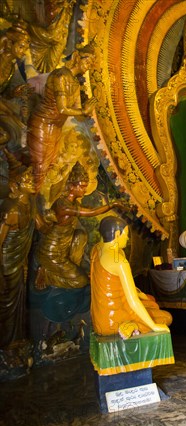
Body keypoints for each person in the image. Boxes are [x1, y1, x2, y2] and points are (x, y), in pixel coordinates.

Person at [35, 163, 128, 290]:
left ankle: (70, 269)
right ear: (72, 186)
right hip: (52, 252)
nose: (84, 190)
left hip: (64, 250)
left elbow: (90, 210)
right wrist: (112, 204)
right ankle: (46, 274)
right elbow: (90, 213)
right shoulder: (64, 206)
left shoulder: (72, 203)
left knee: (81, 235)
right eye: (82, 186)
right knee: (81, 281)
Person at [26, 42, 97, 191]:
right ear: (77, 56)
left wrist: (88, 111)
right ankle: (26, 200)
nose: (89, 65)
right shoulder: (60, 76)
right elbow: (63, 108)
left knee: (47, 167)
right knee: (38, 167)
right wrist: (83, 111)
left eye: (91, 64)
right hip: (43, 123)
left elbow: (77, 114)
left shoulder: (76, 84)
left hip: (56, 128)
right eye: (88, 61)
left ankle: (31, 199)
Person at [91, 216, 171, 336]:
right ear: (117, 234)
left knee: (152, 303)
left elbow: (118, 287)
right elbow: (133, 301)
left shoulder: (96, 250)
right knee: (167, 317)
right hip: (113, 321)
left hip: (99, 319)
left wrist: (142, 295)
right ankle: (132, 326)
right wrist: (154, 326)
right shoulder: (119, 261)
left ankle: (132, 324)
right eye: (126, 234)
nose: (128, 238)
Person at [0, 155, 37, 347]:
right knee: (7, 302)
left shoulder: (29, 204)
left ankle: (17, 338)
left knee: (19, 299)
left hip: (21, 258)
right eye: (27, 180)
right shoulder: (11, 209)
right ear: (16, 185)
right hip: (8, 260)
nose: (32, 182)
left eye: (32, 178)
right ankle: (6, 342)